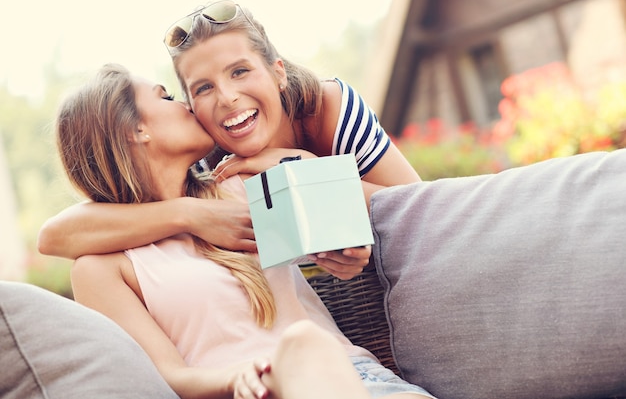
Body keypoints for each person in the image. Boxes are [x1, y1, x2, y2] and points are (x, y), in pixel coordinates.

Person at [55, 63, 435, 399]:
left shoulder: (243, 186)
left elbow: (397, 210)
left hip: (359, 378)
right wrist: (236, 377)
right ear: (135, 131)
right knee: (301, 343)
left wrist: (346, 244)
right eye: (165, 96)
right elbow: (170, 376)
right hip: (251, 391)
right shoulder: (101, 268)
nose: (186, 104)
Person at [37, 0, 420, 261]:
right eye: (202, 88)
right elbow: (55, 235)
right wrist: (188, 213)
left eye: (239, 71)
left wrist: (301, 171)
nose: (227, 97)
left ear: (277, 71)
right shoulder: (206, 162)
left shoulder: (327, 107)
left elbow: (422, 209)